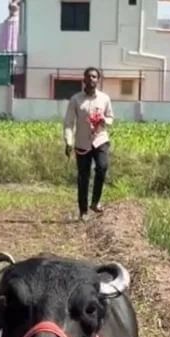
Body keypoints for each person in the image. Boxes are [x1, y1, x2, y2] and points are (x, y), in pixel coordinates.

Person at [63, 67, 114, 221]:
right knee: (83, 177)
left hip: (100, 139)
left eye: (94, 76)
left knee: (102, 167)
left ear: (98, 80)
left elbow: (111, 118)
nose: (91, 79)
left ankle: (95, 202)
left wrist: (104, 120)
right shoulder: (76, 99)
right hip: (82, 142)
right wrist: (69, 141)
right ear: (84, 79)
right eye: (88, 76)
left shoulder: (104, 98)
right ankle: (83, 211)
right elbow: (68, 123)